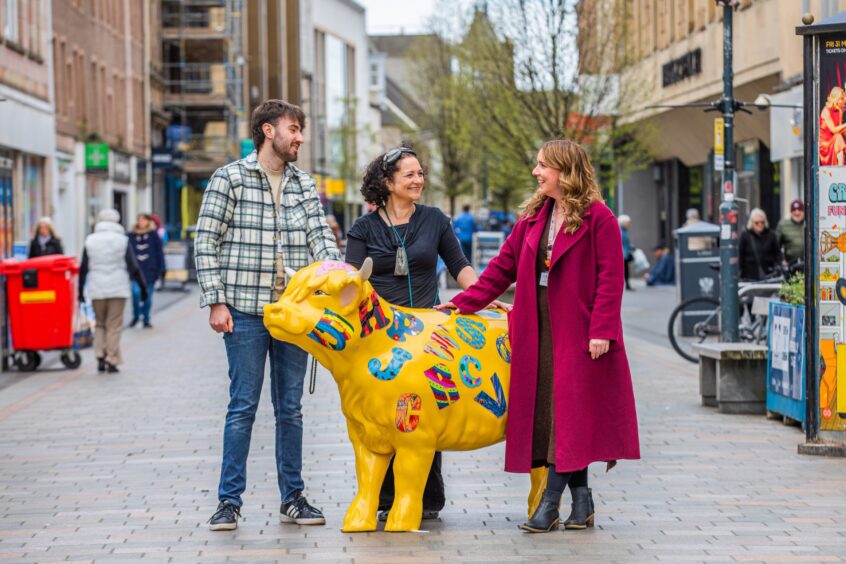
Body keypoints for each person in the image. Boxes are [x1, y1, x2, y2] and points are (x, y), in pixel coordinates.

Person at [438, 139, 640, 533]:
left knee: (569, 414)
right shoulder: (533, 217)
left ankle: (550, 505)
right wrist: (462, 303)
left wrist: (602, 330)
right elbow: (500, 269)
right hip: (537, 326)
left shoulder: (600, 218)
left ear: (565, 171)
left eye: (543, 165)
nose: (536, 172)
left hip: (580, 331)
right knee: (555, 415)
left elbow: (611, 281)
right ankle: (581, 504)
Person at [195, 99, 340, 531]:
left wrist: (337, 280)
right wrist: (216, 301)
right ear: (267, 131)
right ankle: (228, 501)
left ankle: (292, 497)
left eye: (301, 130)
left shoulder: (304, 184)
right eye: (293, 129)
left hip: (293, 316)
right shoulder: (230, 179)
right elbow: (206, 241)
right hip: (243, 311)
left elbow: (321, 240)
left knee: (290, 408)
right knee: (242, 407)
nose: (299, 138)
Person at [345, 146, 506, 522]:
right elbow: (351, 282)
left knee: (420, 413)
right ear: (387, 182)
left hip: (426, 333)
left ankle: (426, 496)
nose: (418, 180)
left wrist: (487, 298)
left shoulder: (435, 220)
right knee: (382, 416)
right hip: (380, 337)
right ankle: (385, 496)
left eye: (420, 174)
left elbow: (459, 267)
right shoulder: (363, 228)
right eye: (409, 175)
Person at [78, 209, 147, 374]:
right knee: (114, 325)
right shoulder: (122, 240)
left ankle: (100, 355)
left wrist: (80, 291)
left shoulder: (90, 240)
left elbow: (83, 268)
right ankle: (111, 359)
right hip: (118, 288)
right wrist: (143, 287)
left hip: (96, 288)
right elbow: (133, 267)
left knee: (100, 324)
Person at [128, 213, 165, 328]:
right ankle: (136, 316)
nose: (141, 222)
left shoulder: (154, 235)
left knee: (148, 296)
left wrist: (161, 269)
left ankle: (146, 319)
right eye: (139, 220)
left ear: (148, 221)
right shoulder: (131, 235)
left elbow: (159, 253)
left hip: (150, 270)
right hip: (136, 271)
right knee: (135, 293)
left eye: (144, 220)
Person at [738, 208, 781, 281]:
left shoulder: (771, 235)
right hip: (749, 277)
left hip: (769, 275)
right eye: (757, 223)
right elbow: (740, 256)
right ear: (752, 223)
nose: (760, 225)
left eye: (762, 222)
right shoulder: (745, 236)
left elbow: (777, 254)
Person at [820, 86, 846, 166]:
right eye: (841, 98)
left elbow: (840, 129)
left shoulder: (839, 111)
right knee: (838, 136)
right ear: (836, 98)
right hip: (825, 143)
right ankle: (840, 165)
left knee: (839, 137)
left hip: (834, 139)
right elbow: (834, 130)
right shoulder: (826, 111)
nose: (843, 101)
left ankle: (841, 165)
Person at [776, 199, 805, 265]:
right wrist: (782, 260)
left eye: (799, 210)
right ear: (791, 212)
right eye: (794, 210)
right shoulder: (783, 225)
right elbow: (775, 246)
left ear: (803, 211)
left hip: (809, 265)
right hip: (791, 264)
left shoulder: (809, 224)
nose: (797, 213)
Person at [618, 214, 633, 290]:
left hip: (625, 253)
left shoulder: (624, 231)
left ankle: (627, 284)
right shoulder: (621, 232)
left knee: (625, 270)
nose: (628, 224)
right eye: (627, 222)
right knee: (624, 271)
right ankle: (626, 285)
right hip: (623, 254)